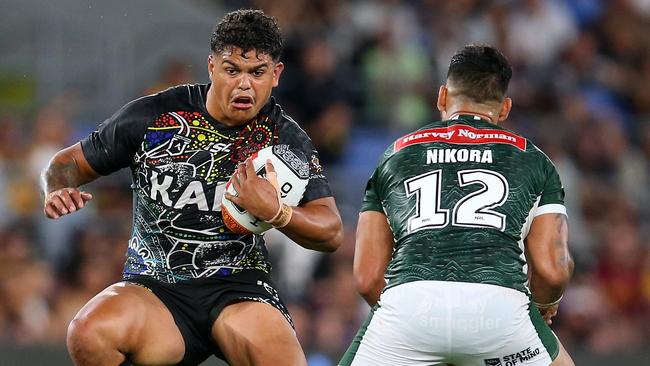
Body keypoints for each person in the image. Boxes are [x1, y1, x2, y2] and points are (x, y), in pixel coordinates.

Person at [41, 9, 343, 366]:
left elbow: (331, 231)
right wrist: (56, 189)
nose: (244, 84)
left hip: (239, 289)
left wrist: (278, 212)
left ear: (275, 74)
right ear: (212, 67)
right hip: (155, 288)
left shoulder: (286, 141)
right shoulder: (155, 116)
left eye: (257, 72)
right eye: (232, 70)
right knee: (88, 333)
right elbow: (65, 164)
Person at [340, 45, 575, 366]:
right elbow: (552, 269)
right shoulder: (534, 160)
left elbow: (366, 277)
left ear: (441, 97)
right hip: (498, 312)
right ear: (504, 109)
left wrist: (419, 329)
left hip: (410, 307)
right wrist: (545, 306)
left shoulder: (395, 155)